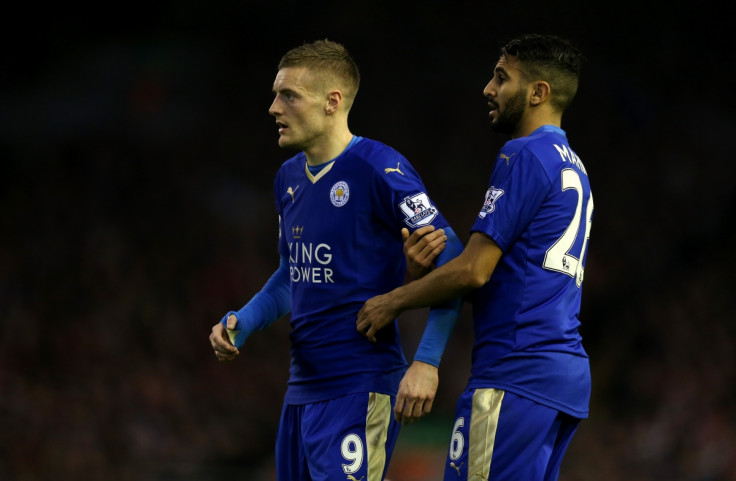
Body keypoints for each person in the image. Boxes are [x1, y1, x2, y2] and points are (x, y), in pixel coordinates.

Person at [208, 39, 463, 481]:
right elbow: (293, 274)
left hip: (361, 387)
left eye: (288, 95)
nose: (273, 107)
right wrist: (242, 322)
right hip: (300, 394)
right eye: (275, 94)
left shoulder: (379, 167)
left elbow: (453, 257)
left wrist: (426, 361)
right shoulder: (288, 178)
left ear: (332, 102)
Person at [357, 34, 593, 481]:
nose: (488, 88)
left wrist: (394, 300)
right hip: (561, 377)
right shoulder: (574, 166)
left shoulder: (524, 153)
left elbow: (474, 271)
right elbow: (511, 277)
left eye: (502, 78)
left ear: (538, 92)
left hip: (516, 371)